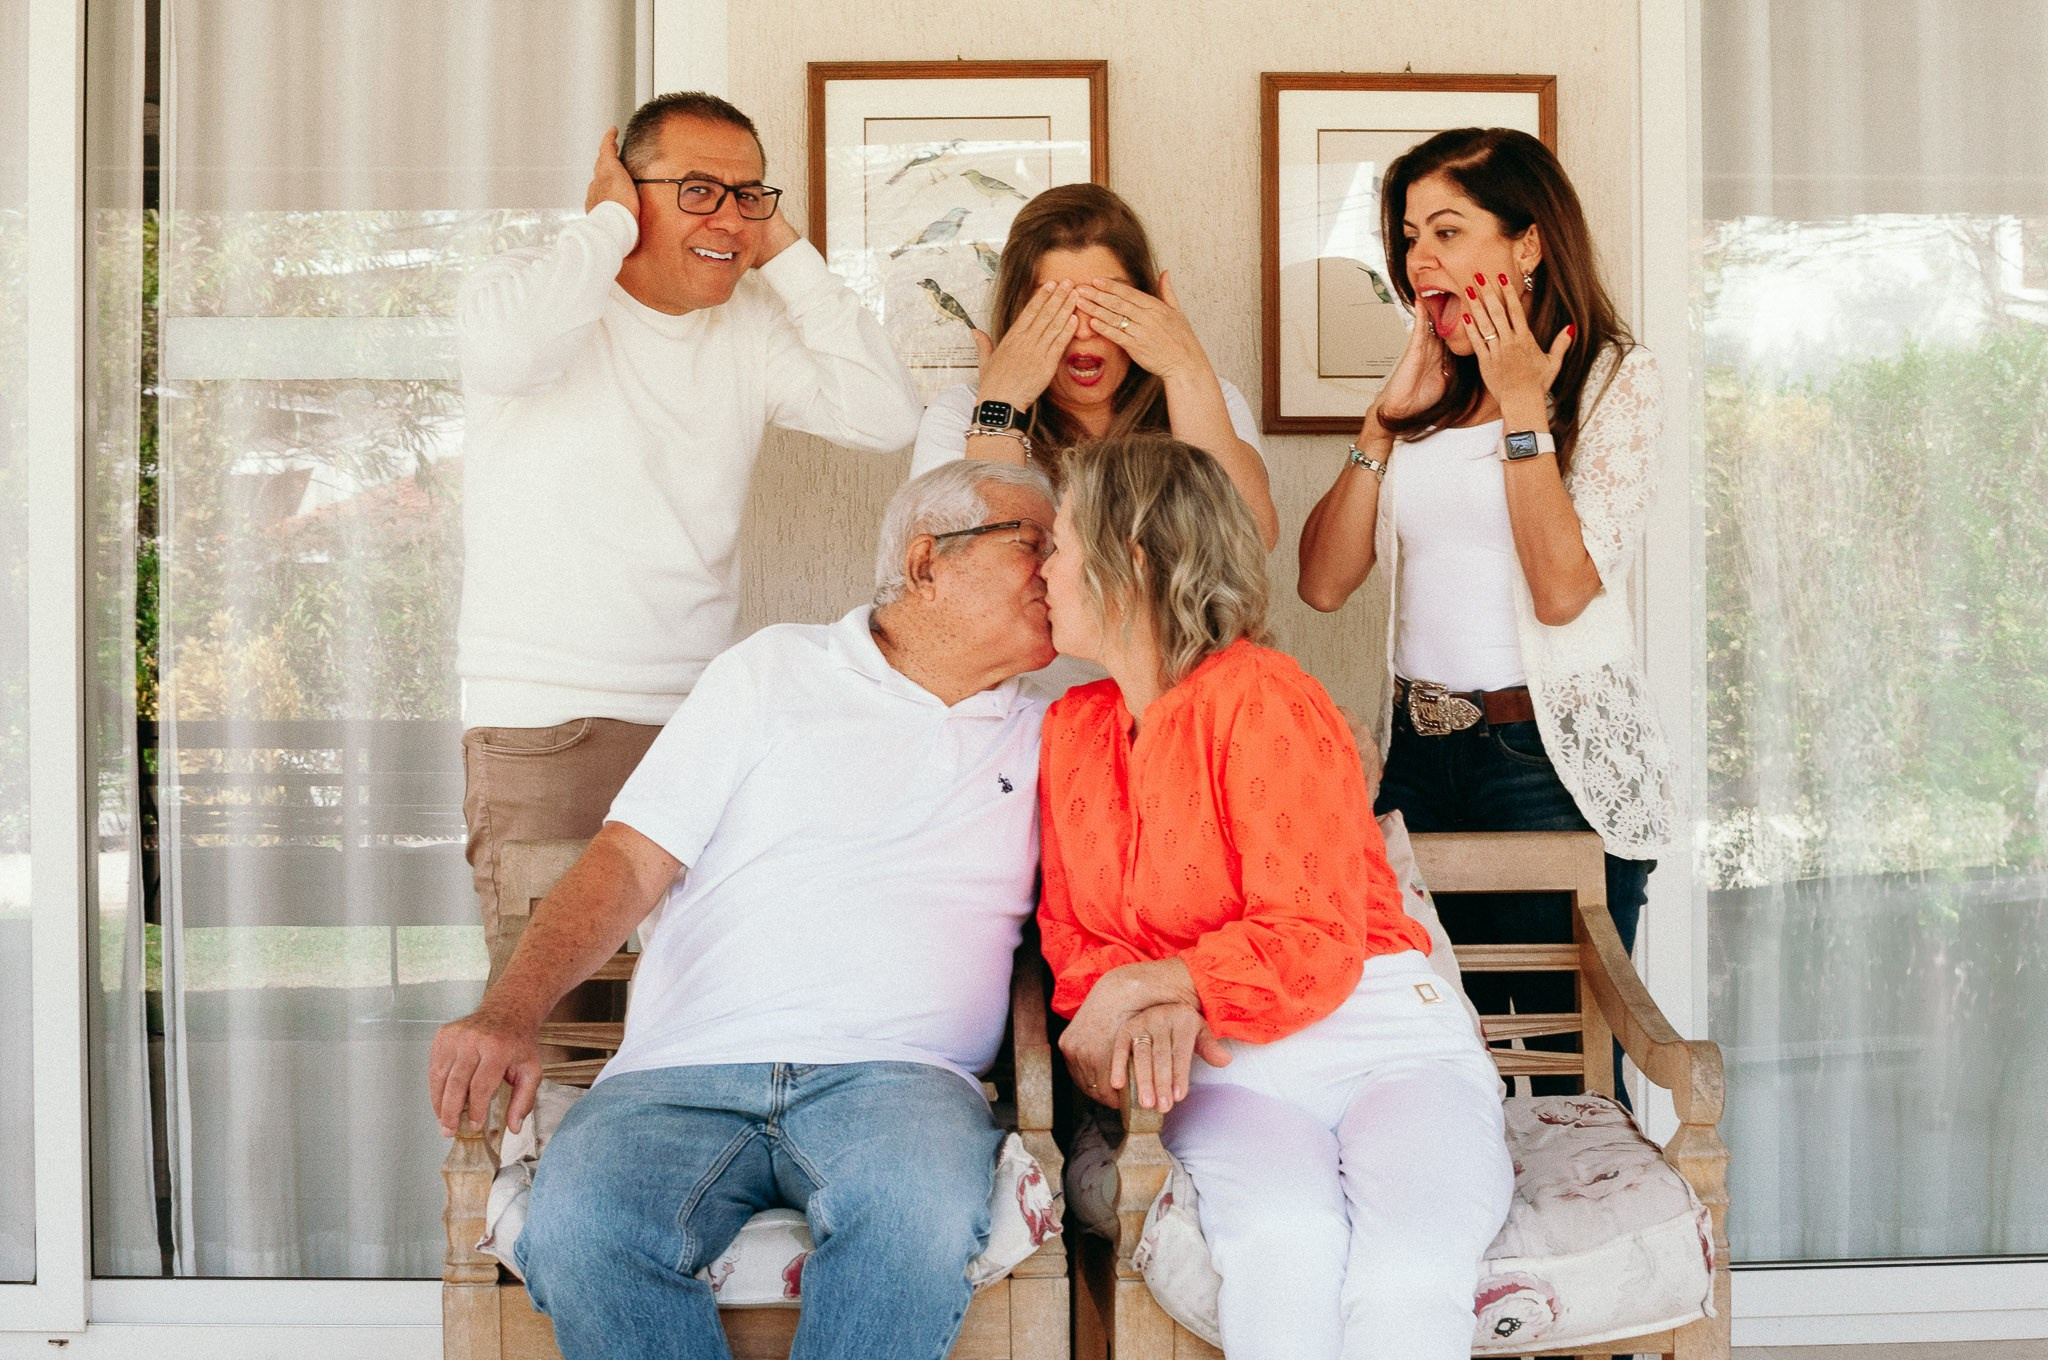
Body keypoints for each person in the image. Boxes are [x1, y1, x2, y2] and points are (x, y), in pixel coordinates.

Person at [428, 460, 1059, 1360]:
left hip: (900, 1080)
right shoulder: (771, 671)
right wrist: (510, 1008)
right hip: (680, 1072)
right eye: (1035, 545)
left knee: (914, 1223)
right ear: (928, 564)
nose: (1059, 571)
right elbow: (630, 858)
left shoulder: (1057, 731)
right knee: (583, 1230)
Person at [1035, 435, 1512, 1360]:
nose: (1041, 571)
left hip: (1381, 1038)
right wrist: (1131, 1000)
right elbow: (1078, 943)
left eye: (1056, 543)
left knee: (1407, 1267)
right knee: (1279, 1248)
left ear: (1127, 556)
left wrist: (1153, 986)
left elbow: (1312, 937)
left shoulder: (1262, 696)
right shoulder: (1072, 734)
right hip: (1223, 1068)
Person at [455, 91, 922, 955]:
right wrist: (603, 222)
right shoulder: (535, 294)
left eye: (751, 193)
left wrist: (781, 250)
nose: (731, 217)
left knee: (687, 1016)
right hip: (549, 724)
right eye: (698, 190)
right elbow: (504, 355)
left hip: (706, 720)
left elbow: (886, 415)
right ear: (629, 193)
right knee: (560, 1029)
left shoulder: (747, 326)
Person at [1296, 127, 1675, 1089]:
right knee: (1431, 1061)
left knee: (1562, 1071)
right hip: (1419, 764)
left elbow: (1561, 593)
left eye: (1449, 229)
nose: (1420, 257)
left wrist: (1521, 413)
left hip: (1543, 765)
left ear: (1528, 243)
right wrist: (1381, 422)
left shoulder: (1611, 381)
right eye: (1411, 234)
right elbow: (1322, 583)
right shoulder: (1425, 397)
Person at [909, 182, 1278, 550]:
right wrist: (1001, 407)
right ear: (1019, 312)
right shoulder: (957, 414)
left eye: (1105, 303)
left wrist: (1185, 369)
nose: (1084, 331)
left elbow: (1251, 542)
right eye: (1055, 306)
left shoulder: (1212, 399)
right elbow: (967, 568)